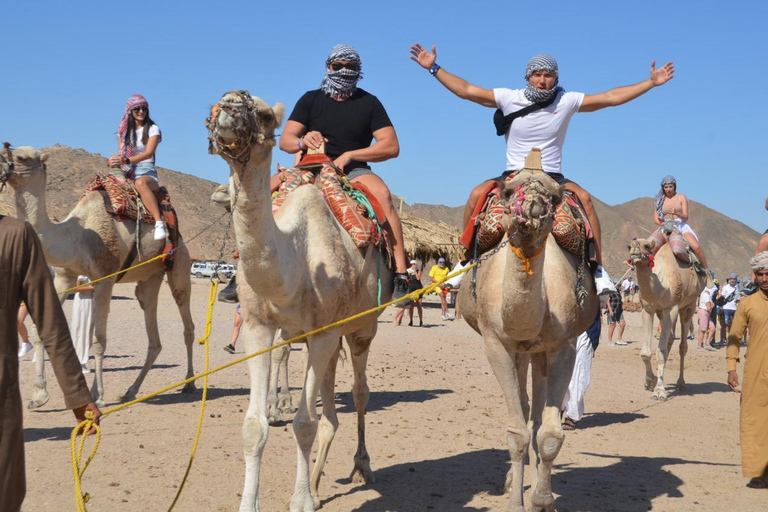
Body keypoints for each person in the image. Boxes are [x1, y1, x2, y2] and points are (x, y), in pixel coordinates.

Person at [410, 44, 675, 292]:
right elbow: (467, 90)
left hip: (552, 176)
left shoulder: (567, 100)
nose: (542, 79)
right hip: (513, 174)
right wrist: (435, 69)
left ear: (556, 78)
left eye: (548, 74)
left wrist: (650, 83)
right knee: (476, 195)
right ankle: (466, 258)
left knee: (584, 199)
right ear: (528, 77)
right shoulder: (508, 97)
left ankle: (597, 268)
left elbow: (610, 97)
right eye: (537, 74)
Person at [278, 44, 410, 298]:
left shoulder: (369, 103)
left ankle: (402, 274)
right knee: (266, 193)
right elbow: (286, 140)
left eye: (350, 67)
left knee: (383, 196)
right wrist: (302, 142)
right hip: (311, 167)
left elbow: (391, 146)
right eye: (338, 66)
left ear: (359, 70)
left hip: (353, 170)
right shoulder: (310, 99)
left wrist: (351, 154)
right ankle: (245, 269)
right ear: (328, 67)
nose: (343, 71)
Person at [0, 215, 101, 512]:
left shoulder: (15, 234)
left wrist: (77, 394)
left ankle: (164, 237)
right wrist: (79, 396)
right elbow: (49, 320)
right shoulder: (16, 235)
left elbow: (49, 322)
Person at [726, 251, 768, 489]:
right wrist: (731, 367)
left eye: (767, 274)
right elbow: (734, 336)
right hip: (756, 373)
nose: (764, 279)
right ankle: (760, 473)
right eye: (760, 274)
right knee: (755, 421)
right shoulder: (747, 304)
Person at [107, 94, 166, 241]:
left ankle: (159, 222)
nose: (141, 112)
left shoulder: (153, 129)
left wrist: (126, 160)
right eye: (137, 109)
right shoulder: (123, 132)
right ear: (130, 111)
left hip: (146, 172)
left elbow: (148, 153)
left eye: (144, 109)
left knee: (140, 183)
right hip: (127, 171)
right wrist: (115, 161)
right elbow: (121, 152)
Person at [653, 175, 708, 269]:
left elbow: (686, 216)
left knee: (696, 247)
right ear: (663, 188)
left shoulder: (681, 197)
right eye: (666, 187)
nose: (668, 189)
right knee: (649, 247)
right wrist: (664, 225)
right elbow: (656, 219)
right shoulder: (659, 201)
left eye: (671, 186)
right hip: (665, 226)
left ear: (674, 186)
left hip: (680, 226)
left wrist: (677, 213)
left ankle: (707, 272)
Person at [561, 319, 601, 430]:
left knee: (579, 374)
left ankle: (572, 416)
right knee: (561, 372)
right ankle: (559, 408)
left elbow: (602, 301)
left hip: (586, 330)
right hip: (563, 330)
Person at [70, 275, 95, 373]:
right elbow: (77, 288)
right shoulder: (81, 273)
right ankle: (79, 362)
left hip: (91, 301)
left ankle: (81, 361)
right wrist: (94, 287)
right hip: (83, 302)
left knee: (88, 331)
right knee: (81, 329)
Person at [696, 284, 717, 351]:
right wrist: (713, 305)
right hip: (704, 312)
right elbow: (708, 307)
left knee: (712, 327)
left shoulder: (705, 295)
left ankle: (707, 343)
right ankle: (699, 346)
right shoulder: (706, 296)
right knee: (703, 330)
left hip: (706, 313)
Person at [720, 273, 739, 341]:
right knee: (724, 324)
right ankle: (722, 339)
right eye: (731, 279)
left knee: (734, 325)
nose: (733, 280)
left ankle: (731, 339)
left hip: (735, 308)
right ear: (729, 279)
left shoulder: (738, 287)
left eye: (734, 279)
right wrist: (721, 307)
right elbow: (722, 297)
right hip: (726, 308)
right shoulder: (726, 287)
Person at [407, 260, 424, 327]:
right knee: (411, 306)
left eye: (414, 264)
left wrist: (415, 272)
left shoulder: (418, 271)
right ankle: (411, 320)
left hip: (418, 289)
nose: (414, 265)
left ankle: (420, 320)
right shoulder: (408, 271)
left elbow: (418, 279)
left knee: (419, 305)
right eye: (412, 264)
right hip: (411, 289)